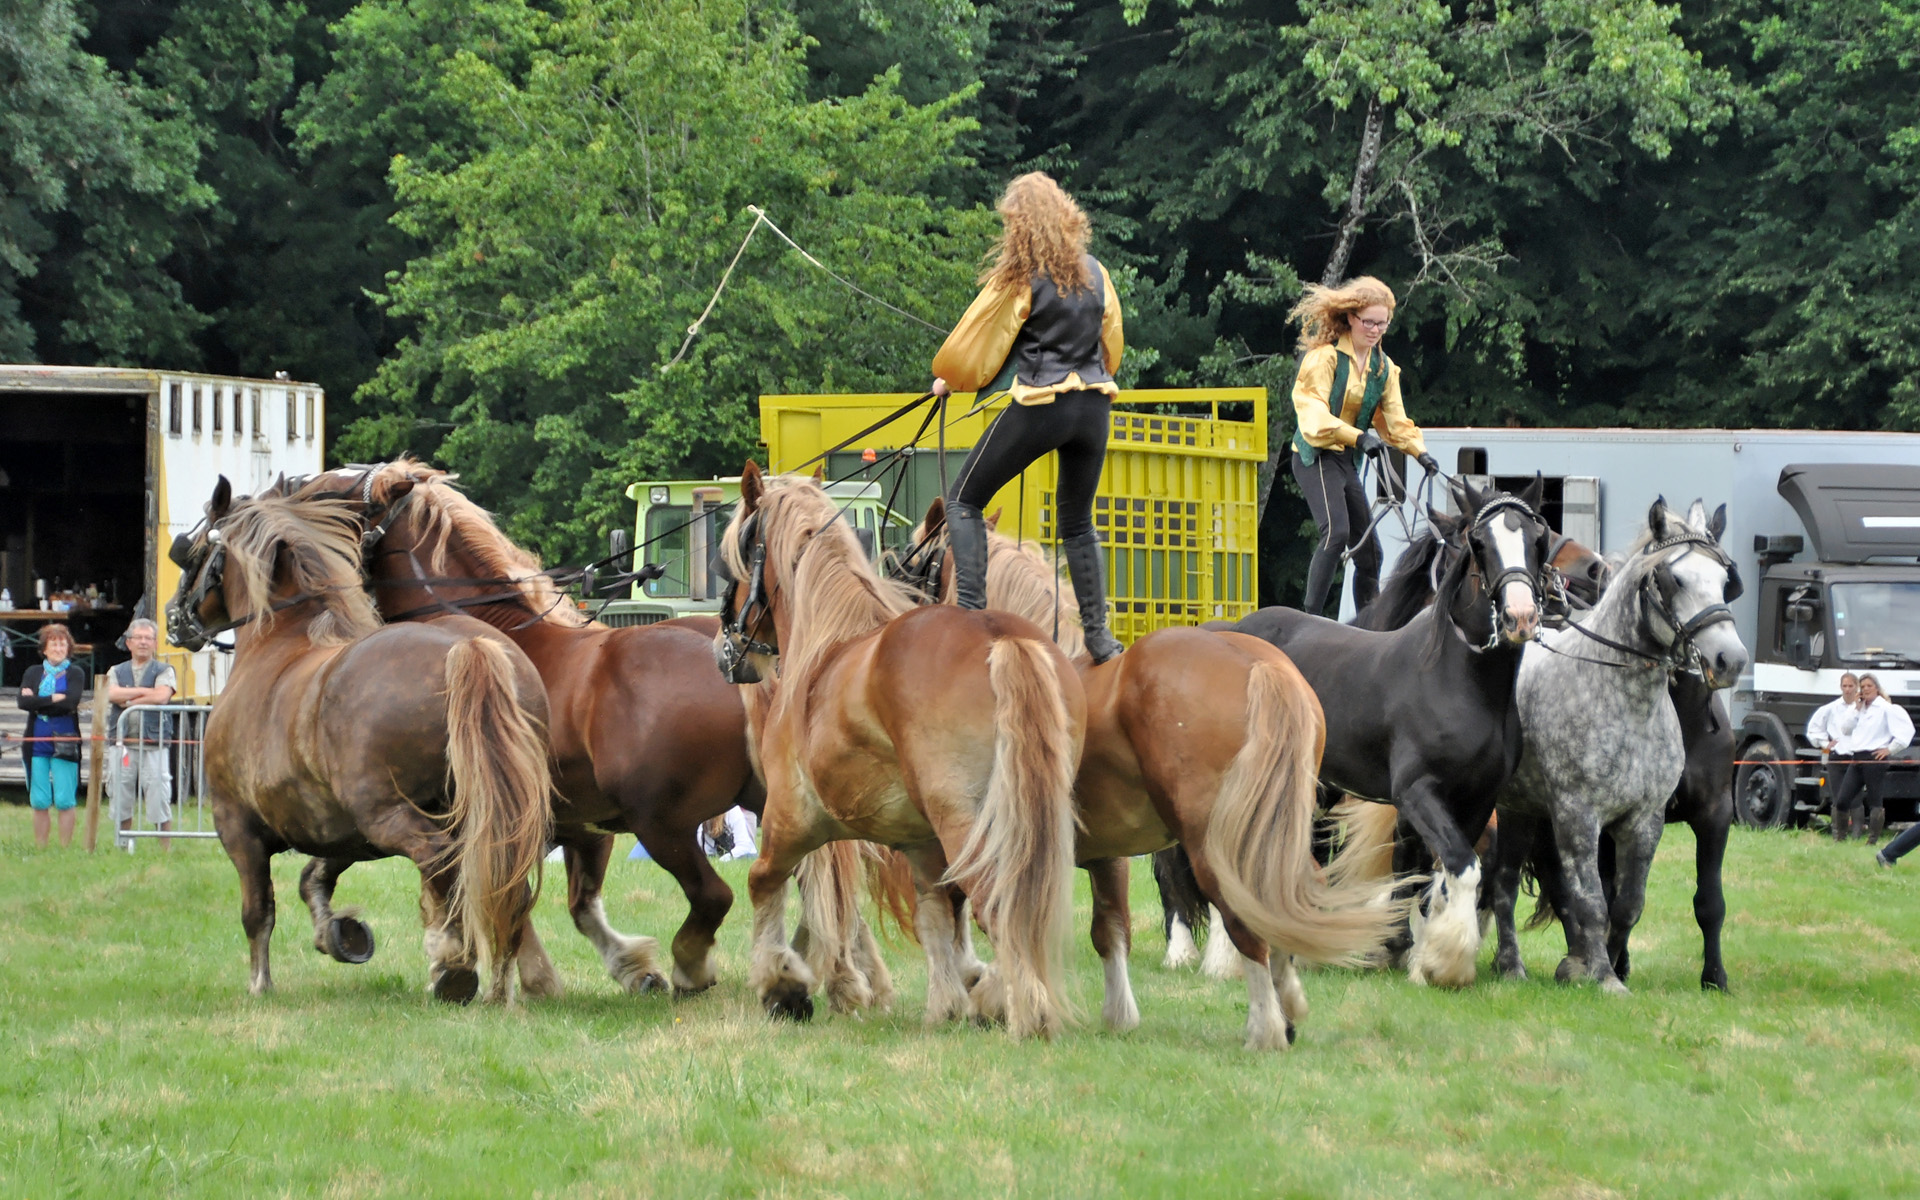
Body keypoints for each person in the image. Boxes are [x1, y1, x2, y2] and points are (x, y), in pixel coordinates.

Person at [929, 171, 1126, 663]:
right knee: (1077, 521)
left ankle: (970, 616)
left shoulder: (1020, 278)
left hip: (1044, 405)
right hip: (1095, 407)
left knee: (963, 501)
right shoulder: (1097, 272)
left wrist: (949, 379)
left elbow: (977, 344)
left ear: (1019, 224)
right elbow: (1113, 344)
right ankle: (1099, 636)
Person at [1286, 277, 1438, 616]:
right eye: (1368, 322)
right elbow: (1312, 415)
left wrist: (1420, 452)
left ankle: (1370, 626)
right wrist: (1358, 437)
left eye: (1382, 324)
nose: (1375, 330)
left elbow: (1396, 422)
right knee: (1336, 532)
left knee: (1370, 554)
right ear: (1351, 318)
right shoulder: (1324, 358)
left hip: (1346, 461)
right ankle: (1309, 618)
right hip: (1316, 455)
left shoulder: (1383, 368)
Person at [105, 618, 178, 851]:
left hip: (154, 743)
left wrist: (128, 699)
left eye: (148, 638)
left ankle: (164, 850)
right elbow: (111, 693)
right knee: (121, 793)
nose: (143, 642)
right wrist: (146, 692)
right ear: (129, 643)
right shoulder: (116, 671)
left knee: (159, 794)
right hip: (122, 744)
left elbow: (162, 696)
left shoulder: (165, 670)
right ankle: (122, 846)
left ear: (155, 643)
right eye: (139, 638)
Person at [17, 623, 88, 848]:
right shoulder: (32, 672)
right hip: (36, 742)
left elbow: (70, 702)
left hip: (65, 741)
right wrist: (53, 699)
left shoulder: (75, 673)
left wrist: (38, 701)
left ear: (69, 648)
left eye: (62, 644)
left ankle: (64, 847)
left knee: (65, 799)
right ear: (44, 649)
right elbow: (23, 702)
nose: (58, 648)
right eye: (53, 644)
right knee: (39, 800)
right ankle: (41, 847)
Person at [1829, 674, 1913, 843]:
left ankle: (1872, 839)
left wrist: (1890, 749)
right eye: (1863, 686)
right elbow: (1845, 729)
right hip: (1857, 757)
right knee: (1842, 800)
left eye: (1869, 686)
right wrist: (1856, 708)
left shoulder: (1886, 708)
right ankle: (1840, 838)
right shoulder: (1859, 708)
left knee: (1875, 801)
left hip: (1874, 758)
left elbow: (1906, 731)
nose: (1866, 689)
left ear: (1876, 688)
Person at [1807, 672, 1860, 836]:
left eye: (1851, 686)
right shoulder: (1831, 708)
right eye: (1845, 686)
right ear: (1841, 687)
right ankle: (1838, 833)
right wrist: (1825, 744)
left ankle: (1857, 833)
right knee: (1838, 796)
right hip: (1837, 756)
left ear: (1856, 687)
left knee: (1856, 797)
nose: (1848, 689)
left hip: (1856, 756)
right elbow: (1813, 729)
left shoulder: (1862, 708)